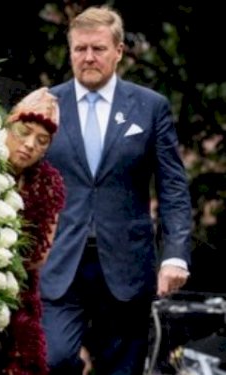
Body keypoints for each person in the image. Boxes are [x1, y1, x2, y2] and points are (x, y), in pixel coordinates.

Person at [40, 5, 192, 374]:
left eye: (98, 48)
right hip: (59, 261)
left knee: (120, 368)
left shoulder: (150, 107)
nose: (88, 57)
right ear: (70, 50)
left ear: (119, 51)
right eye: (80, 49)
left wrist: (175, 254)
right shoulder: (45, 104)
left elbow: (172, 187)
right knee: (53, 358)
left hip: (127, 265)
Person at [0, 87, 65, 374]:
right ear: (8, 124)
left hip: (15, 289)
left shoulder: (48, 184)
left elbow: (40, 255)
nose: (30, 144)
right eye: (25, 131)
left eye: (42, 140)